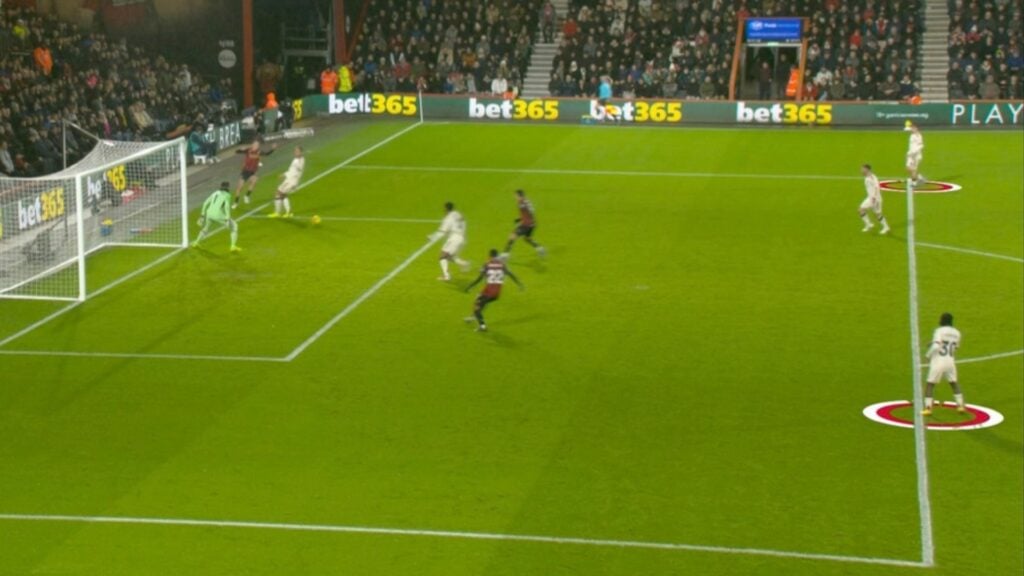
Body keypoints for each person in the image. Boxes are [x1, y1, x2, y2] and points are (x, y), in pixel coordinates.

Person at [464, 249, 524, 332]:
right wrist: (519, 284)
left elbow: (480, 278)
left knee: (477, 308)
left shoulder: (487, 264)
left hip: (489, 290)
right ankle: (472, 317)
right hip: (496, 292)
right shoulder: (502, 265)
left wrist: (470, 286)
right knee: (478, 299)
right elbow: (511, 274)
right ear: (497, 255)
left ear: (489, 256)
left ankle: (482, 326)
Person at [922, 313, 964, 415]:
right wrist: (932, 343)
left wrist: (927, 355)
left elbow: (937, 346)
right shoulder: (957, 333)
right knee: (953, 382)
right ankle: (960, 406)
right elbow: (954, 346)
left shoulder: (939, 331)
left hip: (938, 361)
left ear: (943, 320)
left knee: (930, 384)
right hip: (950, 361)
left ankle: (928, 408)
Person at [192, 181, 241, 253]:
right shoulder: (227, 195)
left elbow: (205, 203)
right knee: (234, 226)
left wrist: (202, 215)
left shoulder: (215, 193)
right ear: (228, 187)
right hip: (218, 214)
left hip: (209, 213)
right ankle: (233, 246)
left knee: (206, 227)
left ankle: (196, 243)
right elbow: (226, 207)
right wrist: (227, 219)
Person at [431, 202, 471, 281]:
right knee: (450, 257)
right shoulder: (458, 214)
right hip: (462, 238)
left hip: (454, 239)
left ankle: (446, 276)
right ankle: (465, 264)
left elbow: (442, 231)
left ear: (446, 208)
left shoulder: (448, 218)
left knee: (442, 256)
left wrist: (432, 237)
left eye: (444, 208)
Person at [503, 189, 546, 257]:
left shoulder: (521, 203)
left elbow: (527, 211)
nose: (515, 197)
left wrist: (523, 220)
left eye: (516, 196)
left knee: (512, 237)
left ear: (520, 196)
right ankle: (540, 248)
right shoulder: (527, 201)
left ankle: (504, 255)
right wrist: (520, 218)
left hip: (526, 225)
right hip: (533, 224)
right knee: (527, 239)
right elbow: (530, 211)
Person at [233, 140, 276, 208]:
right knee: (239, 188)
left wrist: (273, 149)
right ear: (252, 145)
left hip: (252, 172)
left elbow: (267, 154)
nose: (257, 146)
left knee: (254, 181)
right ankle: (236, 202)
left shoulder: (259, 152)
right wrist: (240, 149)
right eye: (255, 145)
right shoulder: (248, 150)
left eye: (258, 145)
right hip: (245, 171)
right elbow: (237, 152)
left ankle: (247, 196)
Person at [269, 146, 305, 218]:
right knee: (279, 193)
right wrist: (284, 174)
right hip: (288, 179)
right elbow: (291, 170)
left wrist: (295, 184)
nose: (295, 152)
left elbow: (300, 169)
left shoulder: (301, 160)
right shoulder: (295, 159)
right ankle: (279, 212)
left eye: (297, 151)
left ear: (300, 152)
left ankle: (285, 212)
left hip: (293, 181)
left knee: (281, 193)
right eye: (295, 151)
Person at [858, 164, 889, 234]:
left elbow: (877, 187)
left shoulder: (872, 177)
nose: (861, 170)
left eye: (862, 169)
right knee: (861, 210)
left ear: (867, 169)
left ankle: (886, 227)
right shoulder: (867, 177)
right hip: (870, 198)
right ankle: (869, 224)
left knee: (878, 214)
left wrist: (874, 197)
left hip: (875, 199)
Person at [904, 121, 925, 186]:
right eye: (911, 128)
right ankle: (919, 177)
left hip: (916, 155)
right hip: (910, 154)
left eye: (913, 128)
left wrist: (914, 152)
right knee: (908, 168)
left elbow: (921, 145)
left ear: (916, 128)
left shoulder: (919, 136)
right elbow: (906, 129)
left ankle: (914, 182)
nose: (911, 129)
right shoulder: (912, 134)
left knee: (914, 168)